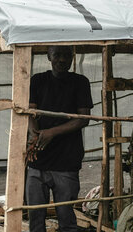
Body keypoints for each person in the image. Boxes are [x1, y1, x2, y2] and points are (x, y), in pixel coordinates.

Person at [25, 46, 93, 232]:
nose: (62, 60)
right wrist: (34, 133)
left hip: (66, 161)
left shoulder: (80, 82)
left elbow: (83, 119)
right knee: (35, 217)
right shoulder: (38, 80)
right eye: (57, 55)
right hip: (38, 160)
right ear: (48, 56)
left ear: (73, 57)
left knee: (66, 217)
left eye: (66, 55)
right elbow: (30, 112)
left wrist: (51, 133)